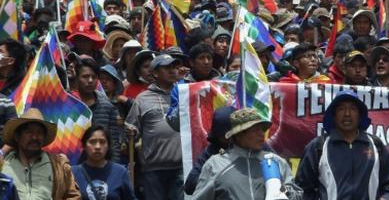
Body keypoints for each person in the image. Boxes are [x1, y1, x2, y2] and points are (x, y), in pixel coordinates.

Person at [295, 90, 389, 200]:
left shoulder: (375, 145)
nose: (347, 114)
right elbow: (302, 189)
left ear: (360, 115)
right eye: (341, 109)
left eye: (353, 109)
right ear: (333, 115)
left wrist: (386, 198)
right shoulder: (318, 147)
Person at [192, 108, 301, 199]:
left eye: (262, 129)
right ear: (239, 135)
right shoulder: (215, 165)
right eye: (255, 130)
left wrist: (283, 190)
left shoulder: (276, 162)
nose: (262, 134)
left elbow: (298, 195)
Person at [125, 54, 184, 200]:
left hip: (181, 167)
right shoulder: (142, 98)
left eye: (174, 67)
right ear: (155, 73)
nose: (172, 71)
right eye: (166, 68)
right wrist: (131, 131)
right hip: (153, 169)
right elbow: (131, 130)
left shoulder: (184, 94)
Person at [3, 108, 81, 199]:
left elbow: (73, 196)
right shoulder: (4, 164)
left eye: (39, 132)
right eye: (29, 132)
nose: (35, 137)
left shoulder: (59, 166)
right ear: (17, 136)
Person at [73, 125, 136, 200]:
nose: (97, 147)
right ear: (84, 146)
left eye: (102, 142)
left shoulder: (120, 172)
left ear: (108, 146)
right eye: (92, 142)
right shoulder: (72, 173)